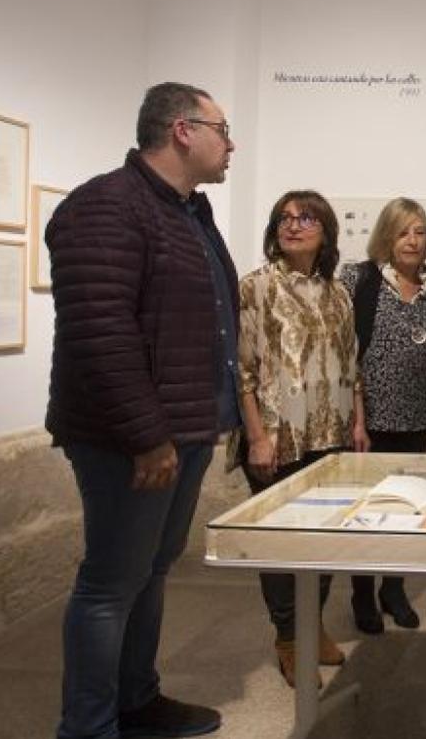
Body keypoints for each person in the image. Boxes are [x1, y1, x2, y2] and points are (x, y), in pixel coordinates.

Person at [46, 82, 235, 739]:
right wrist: (147, 437)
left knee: (150, 572)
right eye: (222, 128)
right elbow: (102, 335)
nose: (229, 143)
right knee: (109, 583)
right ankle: (89, 726)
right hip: (131, 439)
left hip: (184, 430)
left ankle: (137, 701)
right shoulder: (104, 208)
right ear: (183, 130)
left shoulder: (187, 213)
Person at [236, 190, 369, 687]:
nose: (292, 226)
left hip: (330, 434)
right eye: (284, 219)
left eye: (305, 218)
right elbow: (243, 371)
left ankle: (313, 626)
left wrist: (357, 423)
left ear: (326, 230)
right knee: (280, 544)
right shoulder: (255, 287)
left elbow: (350, 365)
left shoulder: (339, 292)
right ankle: (290, 638)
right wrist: (256, 437)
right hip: (278, 436)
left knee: (325, 538)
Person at [339, 198, 426, 634]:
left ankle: (394, 587)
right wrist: (356, 419)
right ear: (386, 236)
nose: (412, 240)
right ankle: (363, 592)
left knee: (406, 508)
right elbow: (344, 355)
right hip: (369, 420)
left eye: (419, 231)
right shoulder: (359, 280)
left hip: (417, 418)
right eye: (403, 231)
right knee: (367, 511)